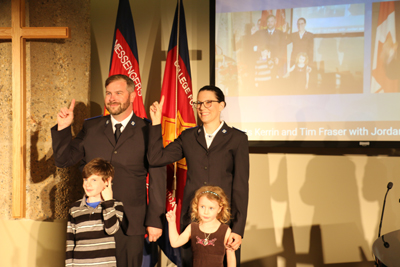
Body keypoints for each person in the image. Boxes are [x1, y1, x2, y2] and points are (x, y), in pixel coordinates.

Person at [52, 74, 166, 267]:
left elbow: (157, 177)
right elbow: (64, 160)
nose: (112, 98)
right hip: (93, 222)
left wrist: (155, 219)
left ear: (132, 96)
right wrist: (63, 128)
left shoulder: (147, 129)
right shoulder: (91, 126)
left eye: (118, 93)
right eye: (108, 93)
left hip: (130, 222)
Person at [148, 85, 249, 267]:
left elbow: (241, 187)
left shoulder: (237, 139)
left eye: (208, 102)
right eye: (199, 103)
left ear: (221, 105)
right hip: (192, 219)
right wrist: (156, 123)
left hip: (223, 221)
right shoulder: (188, 137)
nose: (202, 107)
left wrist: (238, 229)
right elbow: (156, 158)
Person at [66, 158, 124, 267]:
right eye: (85, 179)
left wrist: (108, 202)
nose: (88, 185)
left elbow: (111, 229)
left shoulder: (116, 205)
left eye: (94, 180)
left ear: (107, 181)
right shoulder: (75, 208)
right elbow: (70, 243)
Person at [166, 186, 236, 267]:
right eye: (202, 207)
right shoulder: (192, 228)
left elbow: (231, 260)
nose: (206, 212)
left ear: (220, 209)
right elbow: (175, 243)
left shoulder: (225, 230)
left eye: (211, 208)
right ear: (197, 206)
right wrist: (171, 223)